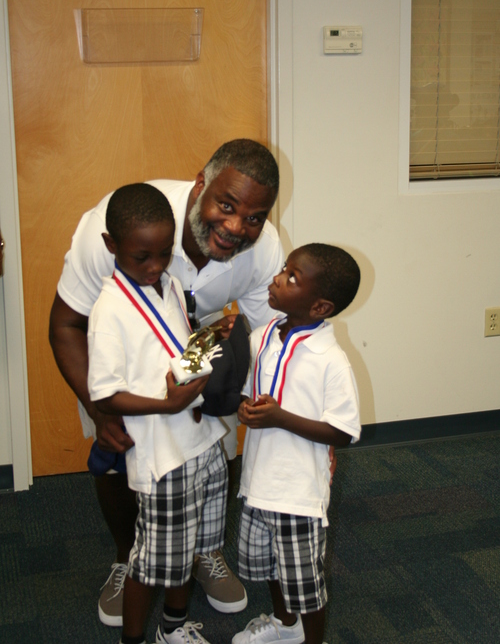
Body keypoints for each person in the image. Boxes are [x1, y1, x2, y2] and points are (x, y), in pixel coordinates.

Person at [48, 139, 284, 626]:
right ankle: (126, 555)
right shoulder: (117, 229)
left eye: (255, 217)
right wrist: (101, 409)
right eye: (226, 205)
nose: (238, 227)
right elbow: (66, 325)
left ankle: (202, 551)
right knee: (119, 454)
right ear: (201, 185)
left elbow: (267, 344)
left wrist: (286, 417)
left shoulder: (262, 251)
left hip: (195, 341)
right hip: (122, 350)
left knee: (215, 453)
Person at [88, 182, 225, 644]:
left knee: (185, 552)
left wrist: (211, 339)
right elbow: (106, 395)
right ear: (111, 246)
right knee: (151, 563)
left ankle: (174, 627)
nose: (154, 267)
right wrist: (168, 405)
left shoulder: (166, 283)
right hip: (162, 459)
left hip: (200, 441)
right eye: (140, 257)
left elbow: (176, 354)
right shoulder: (109, 310)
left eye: (164, 253)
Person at [233, 243, 362, 644]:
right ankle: (285, 626)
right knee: (271, 567)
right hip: (258, 482)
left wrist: (280, 418)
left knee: (305, 583)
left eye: (290, 277)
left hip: (298, 493)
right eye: (284, 268)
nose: (276, 278)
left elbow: (343, 430)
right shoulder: (265, 334)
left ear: (320, 307)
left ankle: (311, 638)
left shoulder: (331, 359)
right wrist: (243, 408)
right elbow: (248, 390)